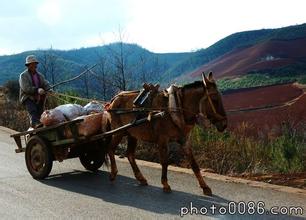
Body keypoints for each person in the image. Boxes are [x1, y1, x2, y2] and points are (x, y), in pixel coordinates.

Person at [19, 55, 52, 128]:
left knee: (41, 113)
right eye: (32, 64)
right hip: (28, 97)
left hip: (38, 98)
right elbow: (26, 88)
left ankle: (40, 126)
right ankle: (35, 124)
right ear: (28, 65)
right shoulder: (23, 76)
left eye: (35, 64)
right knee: (33, 112)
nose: (34, 65)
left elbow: (45, 83)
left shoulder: (39, 75)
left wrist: (49, 89)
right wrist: (37, 89)